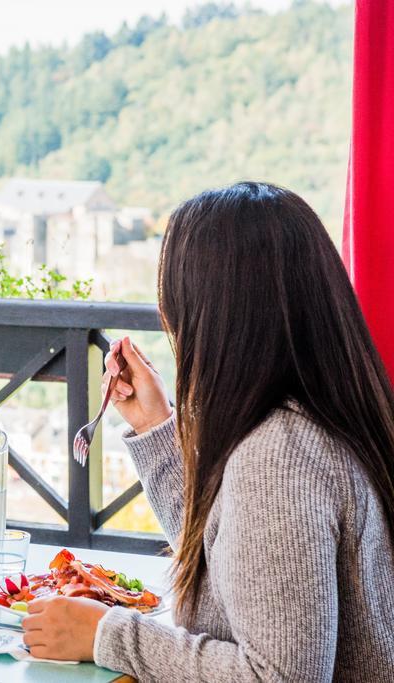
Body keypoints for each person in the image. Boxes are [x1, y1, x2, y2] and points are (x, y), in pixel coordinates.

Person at [21, 182, 394, 680]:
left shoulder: (278, 456)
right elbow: (237, 572)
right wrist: (157, 428)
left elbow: (279, 677)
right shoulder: (318, 418)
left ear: (217, 315)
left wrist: (108, 634)